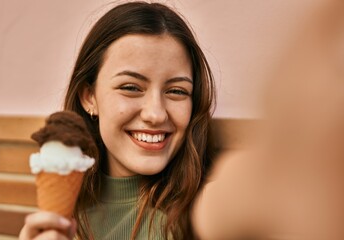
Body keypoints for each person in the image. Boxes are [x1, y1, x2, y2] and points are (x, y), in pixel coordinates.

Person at [19, 1, 216, 240]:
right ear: (89, 96)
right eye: (131, 87)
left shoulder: (211, 213)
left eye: (177, 91)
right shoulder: (65, 215)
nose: (156, 114)